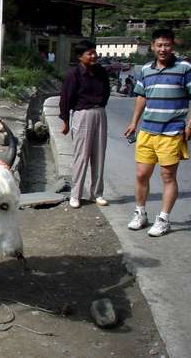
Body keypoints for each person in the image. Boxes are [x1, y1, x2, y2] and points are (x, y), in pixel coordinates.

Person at [123, 29, 191, 237]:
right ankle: (140, 213)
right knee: (141, 174)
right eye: (159, 45)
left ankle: (163, 219)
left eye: (167, 45)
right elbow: (142, 97)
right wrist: (134, 122)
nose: (163, 49)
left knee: (167, 176)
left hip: (171, 132)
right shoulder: (145, 69)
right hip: (147, 131)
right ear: (152, 46)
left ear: (173, 46)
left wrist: (190, 124)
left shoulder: (184, 68)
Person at [59, 40, 110, 209]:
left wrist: (100, 106)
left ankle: (97, 193)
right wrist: (66, 121)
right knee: (81, 157)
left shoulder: (101, 72)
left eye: (94, 52)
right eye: (89, 53)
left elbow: (107, 92)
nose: (94, 56)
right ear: (80, 56)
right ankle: (76, 194)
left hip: (100, 113)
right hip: (82, 114)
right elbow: (66, 98)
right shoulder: (73, 74)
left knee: (99, 156)